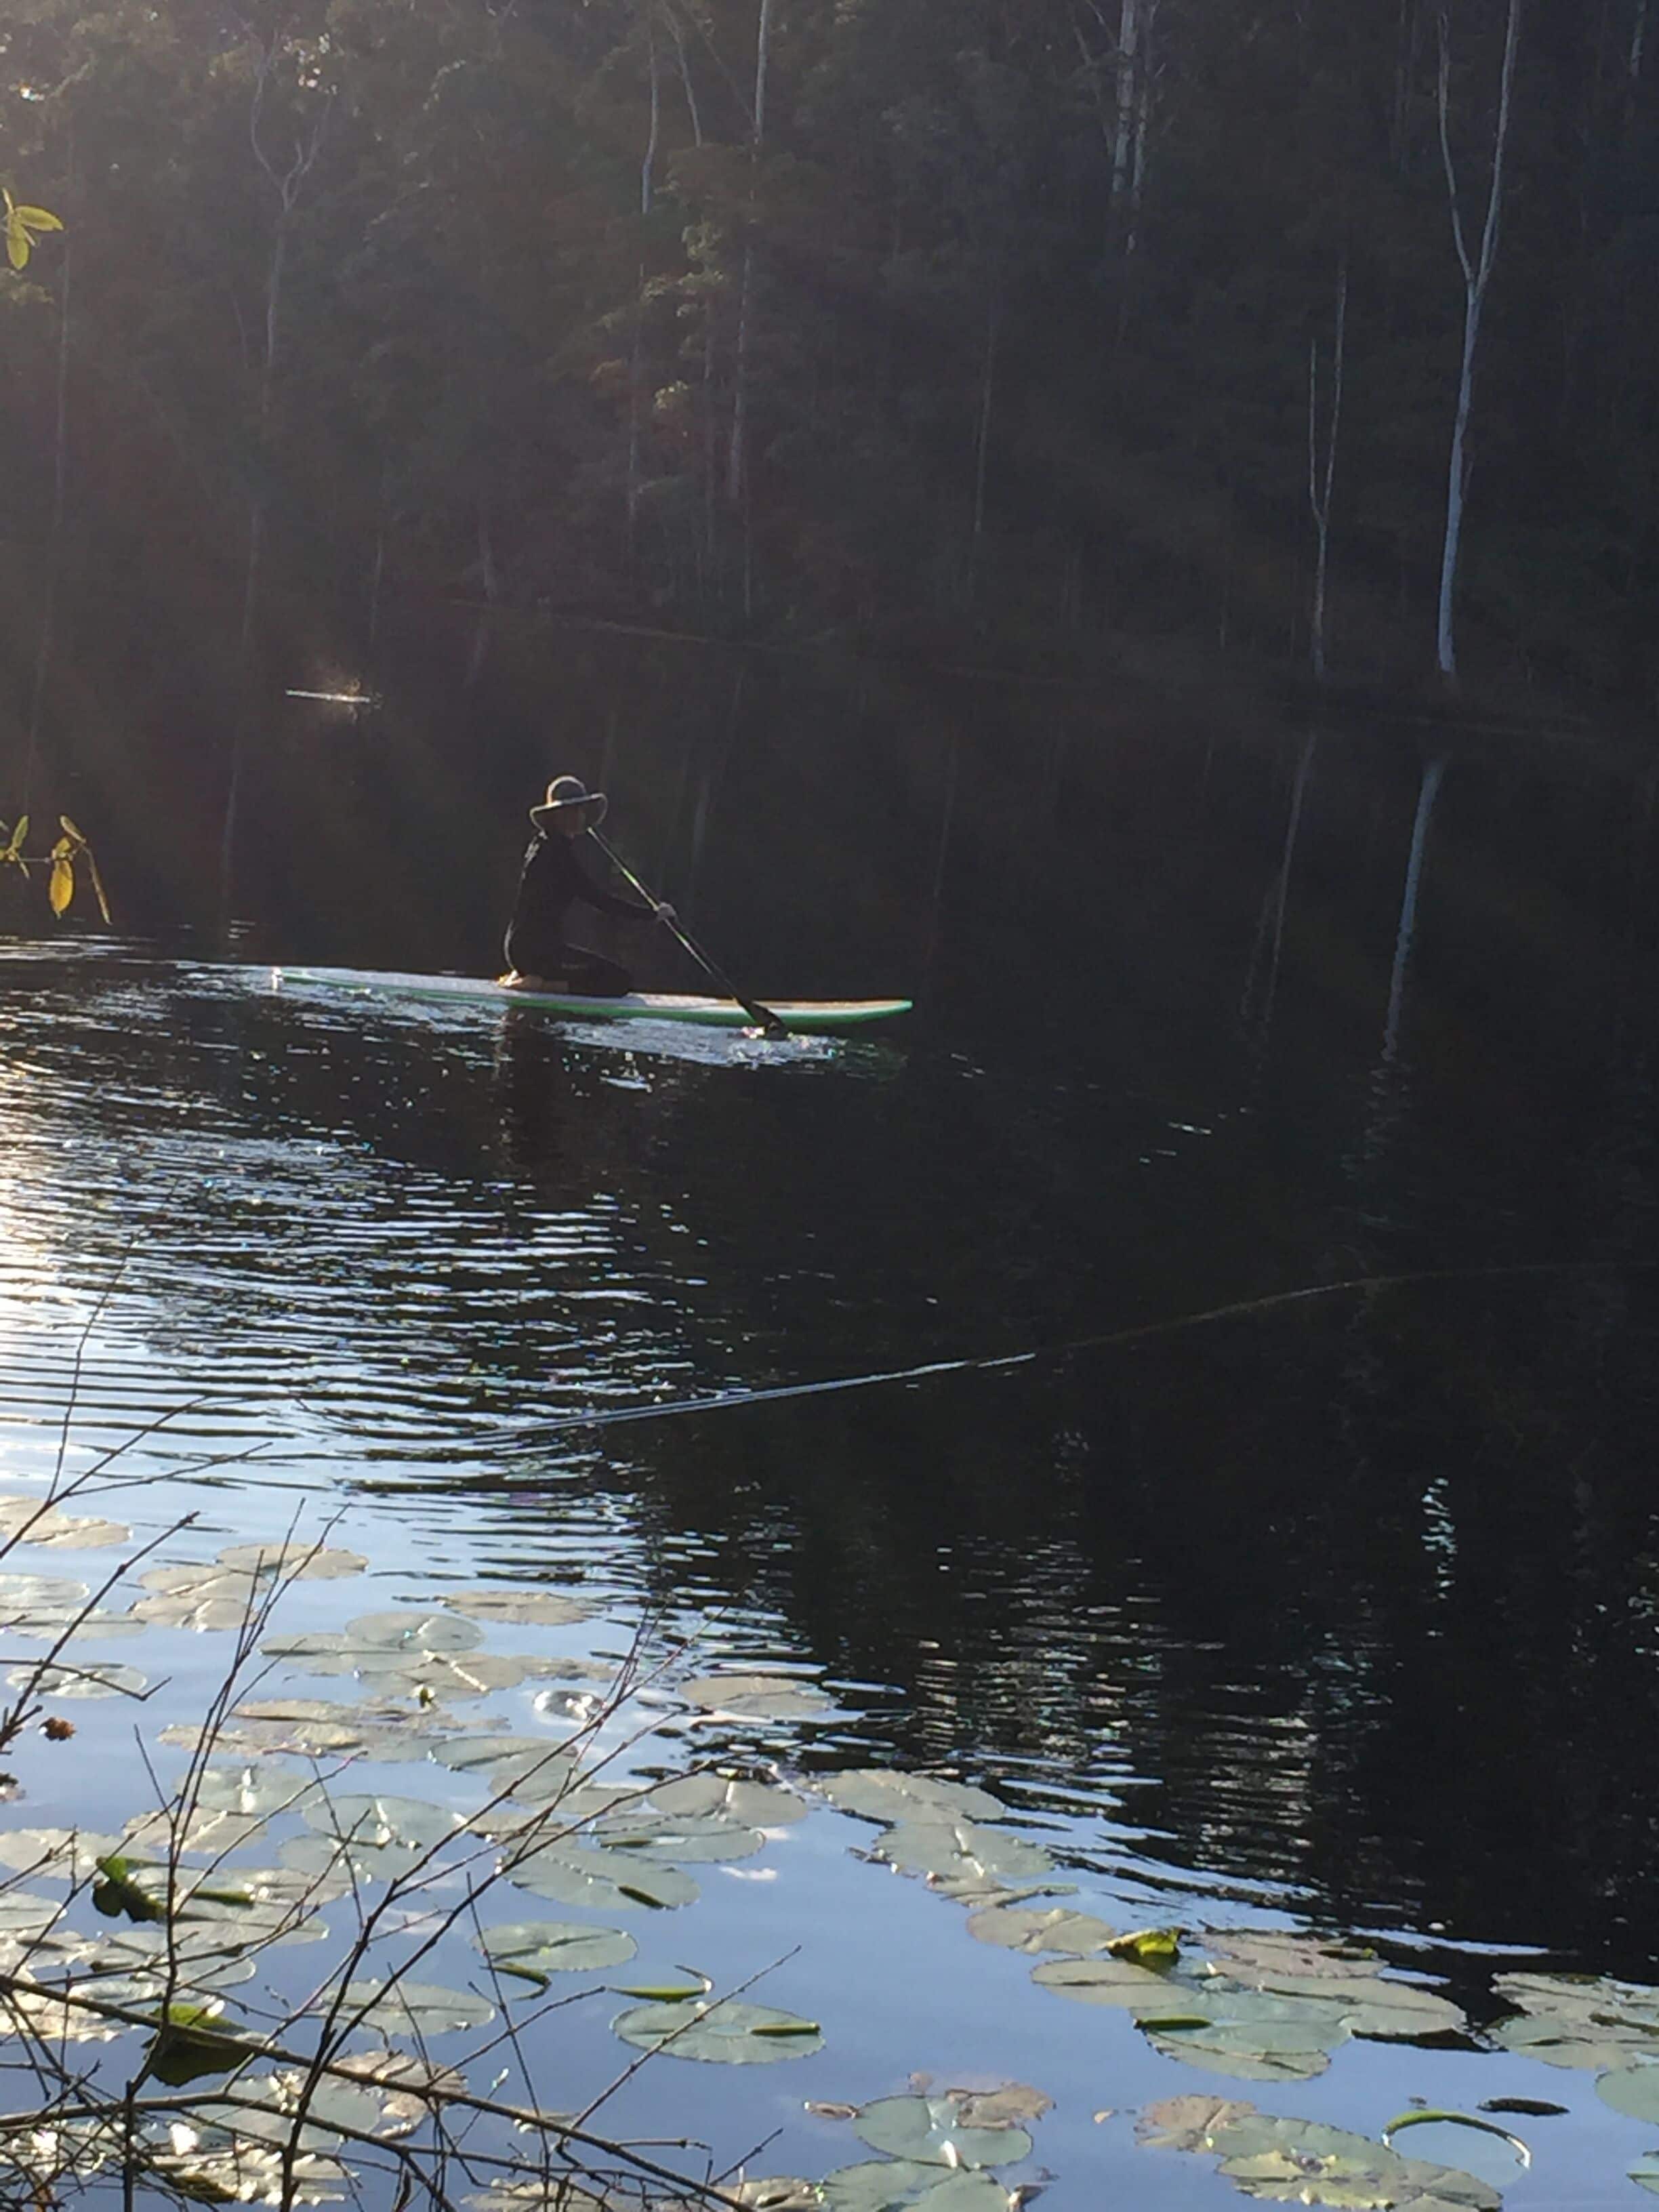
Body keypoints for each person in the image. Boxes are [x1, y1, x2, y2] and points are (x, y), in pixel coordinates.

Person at [501, 775, 672, 994]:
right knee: (618, 981)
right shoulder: (557, 855)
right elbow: (598, 899)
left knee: (600, 971)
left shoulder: (542, 844)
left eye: (580, 810)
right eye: (570, 811)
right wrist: (651, 915)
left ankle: (530, 974)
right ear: (555, 816)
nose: (578, 817)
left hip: (525, 948)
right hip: (537, 952)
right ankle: (542, 984)